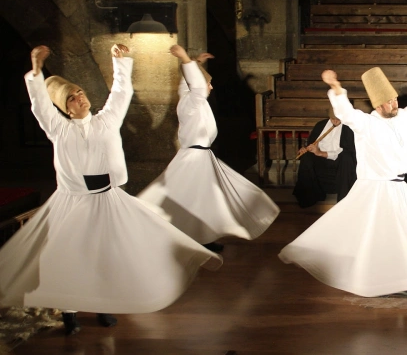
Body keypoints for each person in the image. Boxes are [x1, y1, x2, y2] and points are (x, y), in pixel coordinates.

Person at [0, 44, 222, 336]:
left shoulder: (106, 121)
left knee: (104, 253)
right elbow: (40, 106)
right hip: (73, 200)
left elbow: (121, 94)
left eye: (81, 94)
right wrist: (37, 70)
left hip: (106, 197)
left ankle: (102, 304)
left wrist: (120, 62)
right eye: (73, 98)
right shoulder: (59, 129)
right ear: (65, 106)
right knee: (72, 256)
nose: (80, 98)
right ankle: (70, 312)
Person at [278, 67, 407, 298]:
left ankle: (398, 278)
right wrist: (336, 88)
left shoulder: (402, 117)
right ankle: (386, 281)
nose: (395, 104)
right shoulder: (365, 123)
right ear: (378, 105)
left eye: (395, 99)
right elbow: (346, 113)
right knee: (383, 235)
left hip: (397, 186)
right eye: (390, 102)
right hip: (376, 187)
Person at [138, 45, 280, 253]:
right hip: (194, 158)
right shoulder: (192, 102)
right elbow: (194, 85)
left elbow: (187, 85)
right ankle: (194, 238)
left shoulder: (189, 98)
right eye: (209, 84)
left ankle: (201, 236)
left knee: (202, 199)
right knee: (198, 198)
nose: (211, 88)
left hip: (200, 156)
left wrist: (194, 62)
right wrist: (187, 58)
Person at [292, 110, 357, 208]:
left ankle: (343, 201)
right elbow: (312, 143)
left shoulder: (350, 128)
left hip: (339, 162)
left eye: (338, 118)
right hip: (321, 161)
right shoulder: (320, 125)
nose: (335, 121)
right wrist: (307, 149)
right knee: (306, 157)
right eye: (332, 118)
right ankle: (309, 198)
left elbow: (347, 151)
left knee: (346, 158)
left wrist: (320, 153)